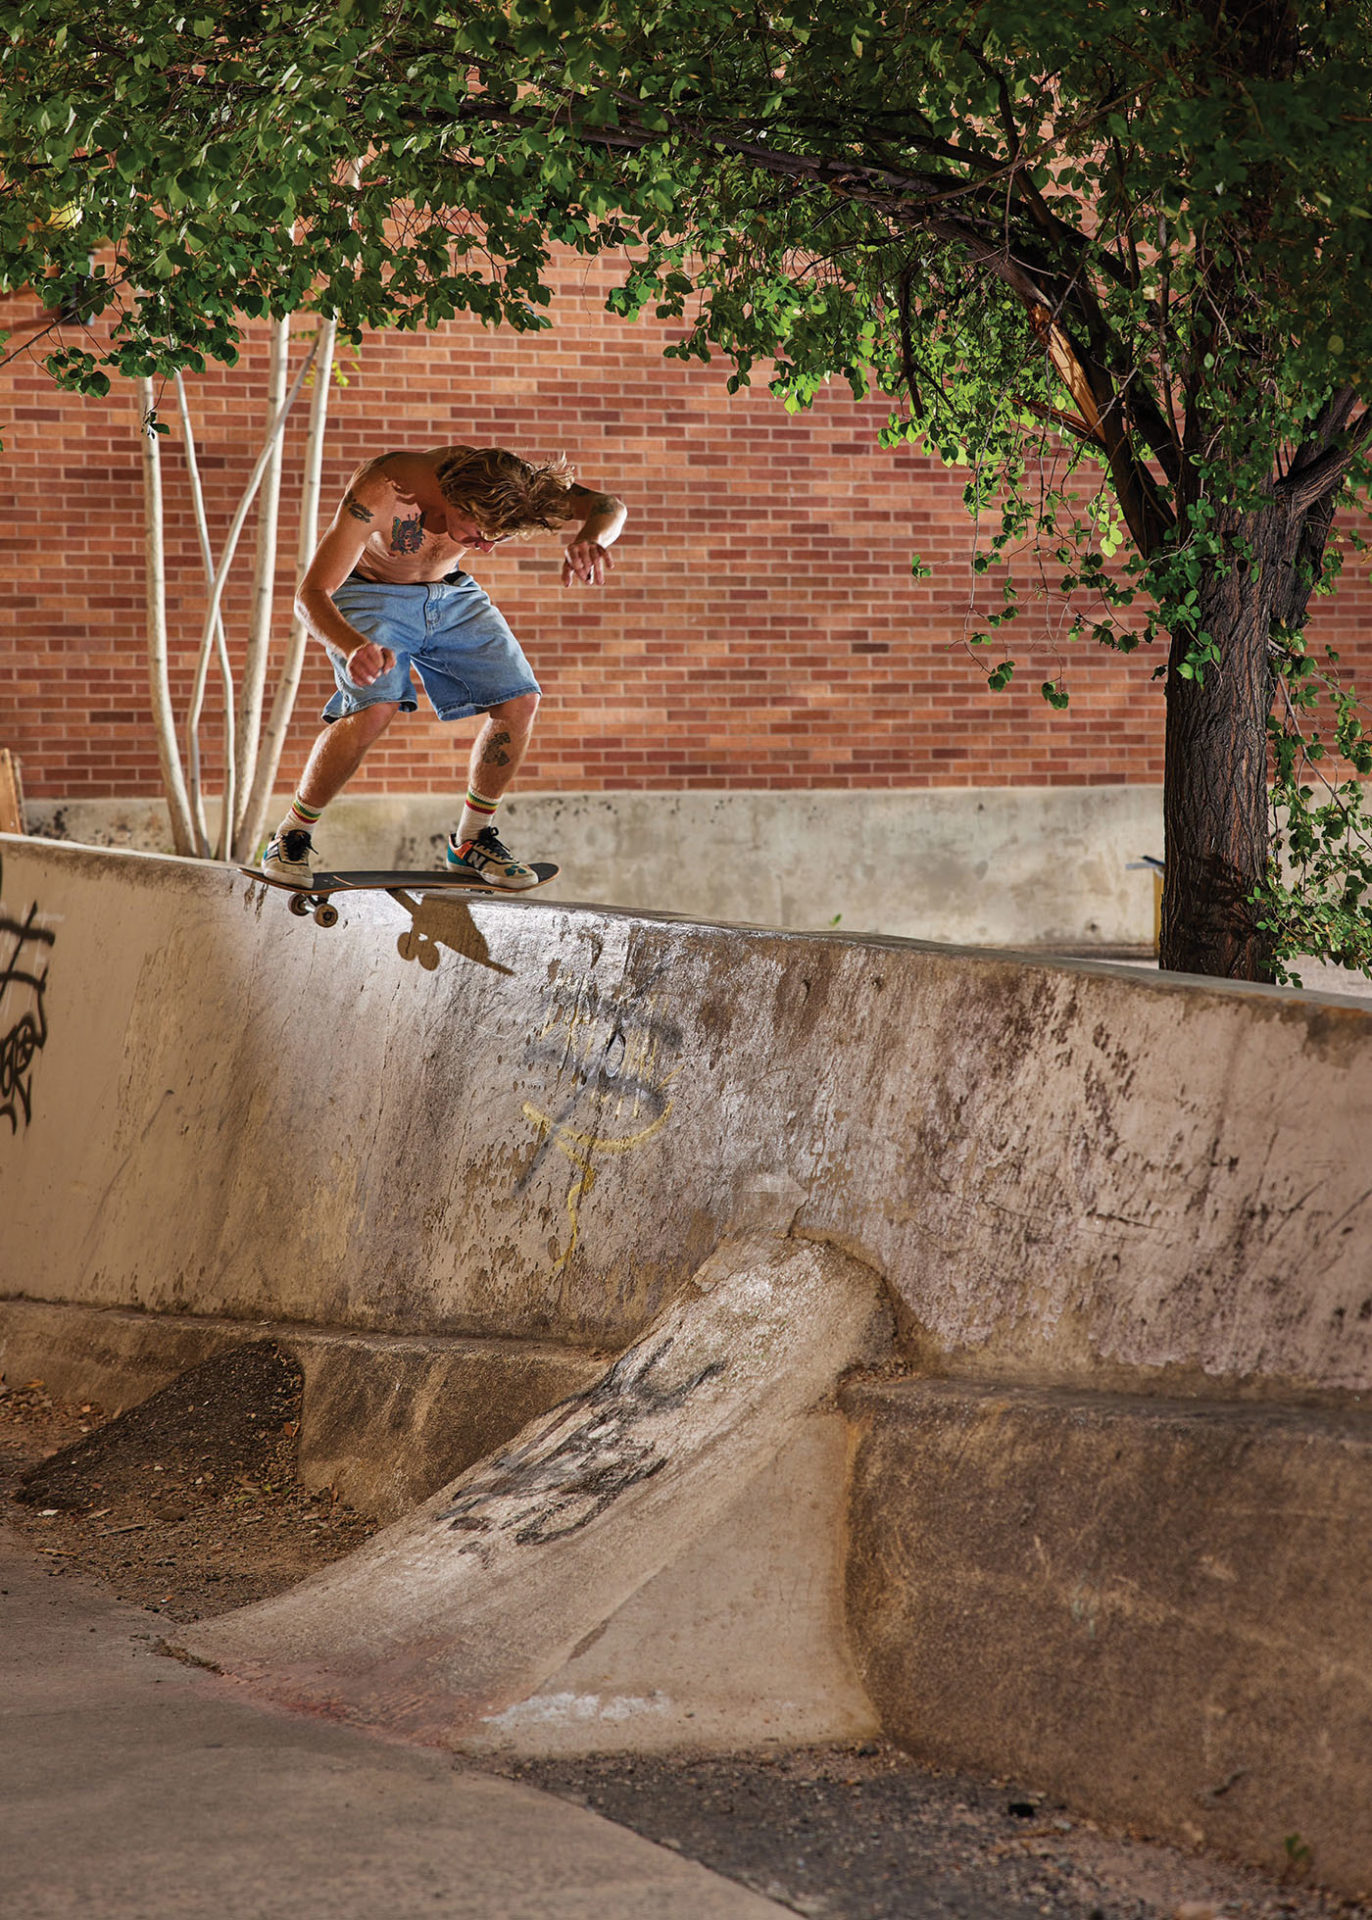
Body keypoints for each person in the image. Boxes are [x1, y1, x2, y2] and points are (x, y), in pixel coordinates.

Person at [261, 443, 627, 887]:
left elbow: (609, 506)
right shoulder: (384, 489)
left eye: (499, 538)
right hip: (369, 594)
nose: (486, 548)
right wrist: (352, 646)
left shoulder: (515, 484)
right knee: (376, 707)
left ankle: (471, 840)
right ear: (456, 500)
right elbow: (311, 594)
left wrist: (592, 538)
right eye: (478, 534)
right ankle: (292, 834)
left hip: (452, 594)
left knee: (521, 700)